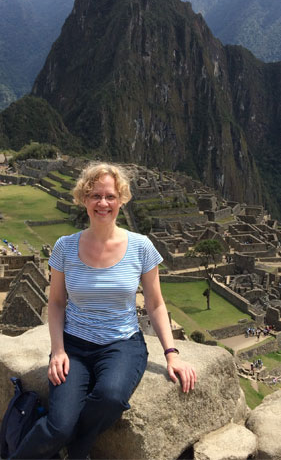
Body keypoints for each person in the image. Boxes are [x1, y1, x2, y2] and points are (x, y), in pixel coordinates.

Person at [12, 162, 196, 459]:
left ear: (121, 200)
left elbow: (155, 303)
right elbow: (57, 302)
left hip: (122, 344)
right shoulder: (65, 247)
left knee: (111, 397)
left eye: (110, 196)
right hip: (74, 344)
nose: (103, 203)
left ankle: (77, 450)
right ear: (83, 199)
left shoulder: (141, 247)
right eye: (95, 195)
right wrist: (58, 350)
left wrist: (171, 354)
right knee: (58, 426)